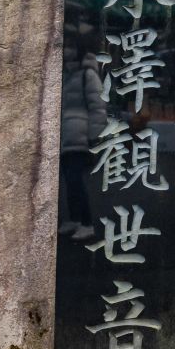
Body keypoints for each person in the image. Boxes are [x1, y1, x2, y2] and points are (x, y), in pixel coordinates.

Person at [59, 43, 108, 241]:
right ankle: (74, 219)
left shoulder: (88, 75)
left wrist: (94, 136)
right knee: (70, 181)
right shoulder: (66, 74)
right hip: (66, 136)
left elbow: (98, 107)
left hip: (80, 138)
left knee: (76, 181)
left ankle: (87, 223)